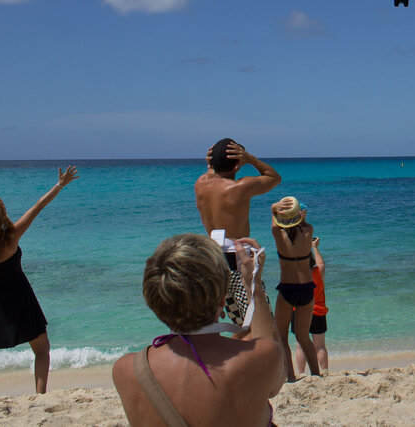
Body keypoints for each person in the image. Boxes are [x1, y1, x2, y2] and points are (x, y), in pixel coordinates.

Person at [112, 234, 285, 427]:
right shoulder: (259, 359)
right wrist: (253, 286)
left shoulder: (127, 370)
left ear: (153, 300)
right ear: (222, 299)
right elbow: (270, 349)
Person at [0, 166, 78, 399]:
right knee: (42, 350)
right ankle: (40, 397)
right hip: (19, 297)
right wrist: (60, 185)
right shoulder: (11, 237)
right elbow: (39, 206)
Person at [195, 138, 281, 324]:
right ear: (237, 166)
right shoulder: (239, 188)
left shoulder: (200, 184)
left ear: (212, 163)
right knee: (262, 321)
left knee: (239, 323)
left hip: (214, 260)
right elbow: (274, 178)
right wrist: (250, 159)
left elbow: (213, 172)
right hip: (240, 260)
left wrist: (213, 161)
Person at [271, 196, 321, 380]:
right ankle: (316, 374)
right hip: (307, 288)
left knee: (282, 337)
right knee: (303, 337)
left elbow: (275, 221)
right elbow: (304, 224)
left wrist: (274, 208)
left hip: (287, 288)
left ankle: (291, 377)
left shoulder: (278, 234)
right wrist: (301, 217)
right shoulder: (308, 230)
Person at [293, 236, 329, 374]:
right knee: (320, 346)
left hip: (300, 312)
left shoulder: (296, 275)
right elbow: (322, 264)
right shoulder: (317, 273)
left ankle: (301, 373)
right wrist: (314, 247)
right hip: (318, 311)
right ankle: (324, 371)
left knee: (300, 346)